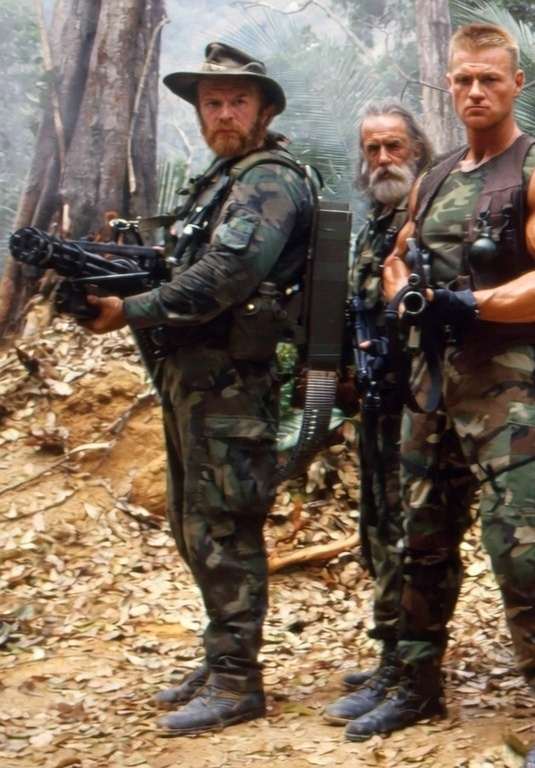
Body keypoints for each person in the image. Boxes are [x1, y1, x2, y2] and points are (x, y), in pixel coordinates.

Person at [346, 24, 535, 768]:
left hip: (505, 380)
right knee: (421, 534)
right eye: (463, 80)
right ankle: (416, 681)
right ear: (448, 86)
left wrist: (471, 305)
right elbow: (397, 256)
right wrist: (406, 294)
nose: (476, 91)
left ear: (516, 84)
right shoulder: (438, 173)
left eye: (489, 78)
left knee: (520, 543)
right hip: (432, 378)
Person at [80, 43, 315, 735]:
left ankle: (239, 682)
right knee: (195, 524)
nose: (223, 113)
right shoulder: (221, 179)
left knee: (225, 526)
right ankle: (221, 662)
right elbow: (185, 264)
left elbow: (228, 276)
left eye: (238, 101)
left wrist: (131, 309)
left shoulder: (269, 179)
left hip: (231, 385)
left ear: (264, 111)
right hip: (196, 381)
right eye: (212, 102)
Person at [322, 100, 437, 725]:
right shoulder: (373, 223)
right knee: (378, 526)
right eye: (374, 149)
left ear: (416, 148)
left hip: (418, 399)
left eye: (395, 146)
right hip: (376, 400)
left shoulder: (427, 215)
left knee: (407, 533)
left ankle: (409, 669)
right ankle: (390, 648)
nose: (385, 159)